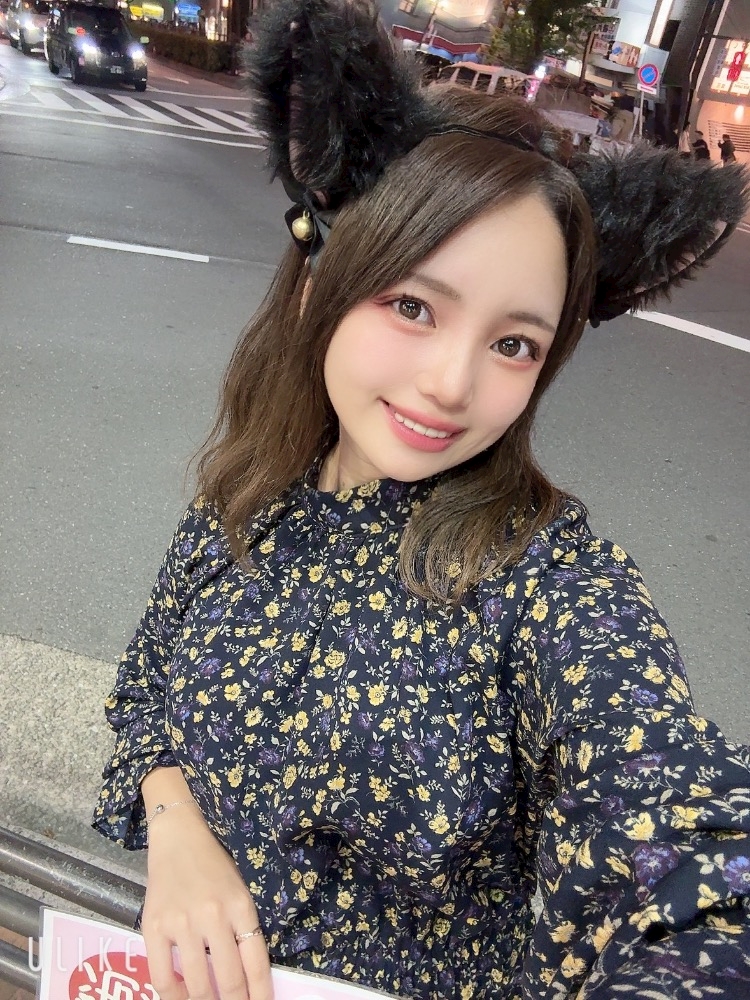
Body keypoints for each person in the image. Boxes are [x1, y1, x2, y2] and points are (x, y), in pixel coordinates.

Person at [92, 2, 750, 999]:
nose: (450, 384)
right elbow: (147, 687)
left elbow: (673, 821)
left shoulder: (544, 582)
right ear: (320, 281)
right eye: (412, 305)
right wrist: (178, 828)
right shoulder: (246, 494)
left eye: (513, 343)